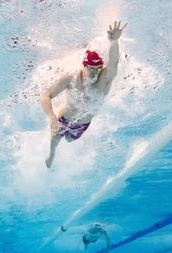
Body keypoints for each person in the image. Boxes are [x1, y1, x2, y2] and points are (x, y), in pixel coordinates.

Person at [39, 20, 127, 168]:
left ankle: (62, 141)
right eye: (91, 68)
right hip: (63, 118)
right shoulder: (71, 76)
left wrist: (114, 42)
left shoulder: (105, 78)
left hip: (83, 124)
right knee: (55, 139)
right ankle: (51, 155)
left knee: (70, 140)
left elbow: (114, 63)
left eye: (98, 68)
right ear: (84, 65)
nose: (94, 72)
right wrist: (52, 118)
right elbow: (45, 95)